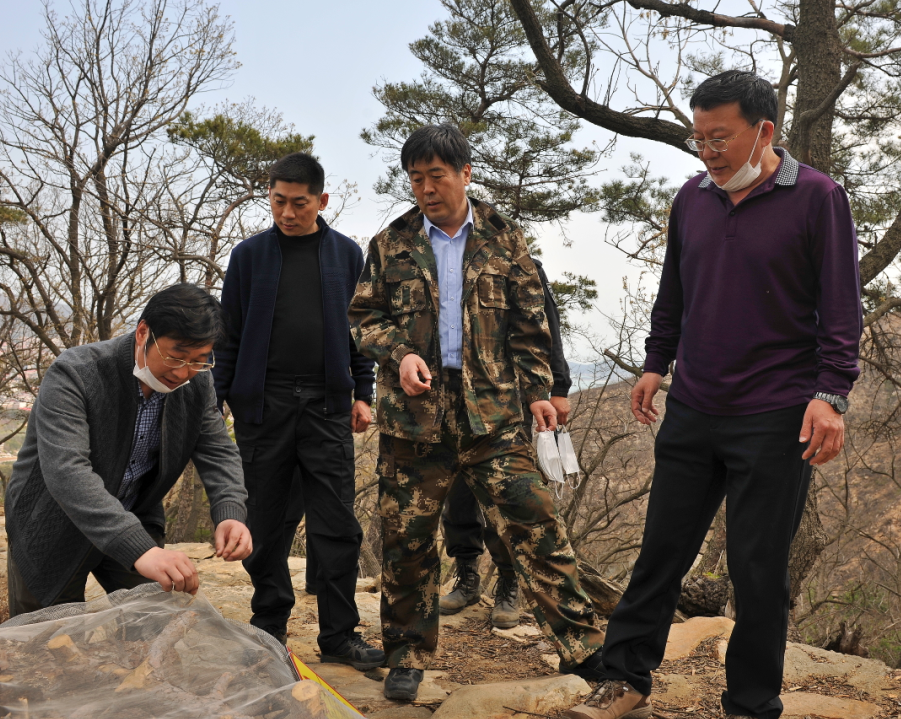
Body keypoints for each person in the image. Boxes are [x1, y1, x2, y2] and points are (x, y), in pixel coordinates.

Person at [565, 71, 861, 719]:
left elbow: (841, 308)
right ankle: (625, 679)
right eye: (698, 138)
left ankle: (750, 704)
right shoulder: (691, 198)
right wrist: (654, 363)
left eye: (719, 137)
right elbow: (673, 291)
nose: (707, 151)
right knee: (659, 553)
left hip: (776, 414)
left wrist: (831, 393)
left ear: (764, 130)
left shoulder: (818, 198)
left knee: (757, 570)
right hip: (693, 406)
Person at [349, 124, 605, 702]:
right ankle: (406, 655)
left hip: (492, 414)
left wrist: (539, 391)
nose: (426, 189)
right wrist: (402, 353)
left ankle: (586, 648)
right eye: (416, 178)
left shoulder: (504, 238)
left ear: (465, 174)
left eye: (436, 176)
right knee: (407, 540)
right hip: (414, 417)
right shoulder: (390, 243)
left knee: (536, 525)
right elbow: (363, 318)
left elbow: (531, 327)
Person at [213, 152, 384, 671]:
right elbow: (228, 336)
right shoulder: (249, 256)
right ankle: (268, 625)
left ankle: (339, 636)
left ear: (321, 201)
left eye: (299, 203)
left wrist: (362, 393)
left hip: (326, 405)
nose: (287, 213)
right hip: (262, 406)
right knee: (264, 523)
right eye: (278, 201)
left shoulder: (345, 255)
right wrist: (215, 400)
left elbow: (360, 333)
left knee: (337, 526)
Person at [5, 283, 253, 617]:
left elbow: (217, 449)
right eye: (175, 356)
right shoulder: (76, 373)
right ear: (143, 332)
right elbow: (67, 471)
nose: (183, 373)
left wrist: (230, 511)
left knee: (153, 620)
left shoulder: (196, 382)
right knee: (45, 633)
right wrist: (140, 550)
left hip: (135, 513)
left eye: (198, 360)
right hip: (52, 519)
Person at [439, 257, 574, 630]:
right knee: (458, 494)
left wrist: (559, 387)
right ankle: (467, 577)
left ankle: (508, 583)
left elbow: (547, 327)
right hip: (450, 399)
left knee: (508, 497)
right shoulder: (440, 261)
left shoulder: (521, 264)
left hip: (507, 400)